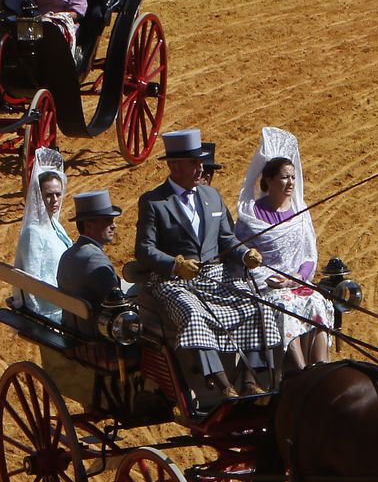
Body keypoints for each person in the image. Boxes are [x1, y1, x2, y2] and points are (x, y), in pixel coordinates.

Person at [134, 128, 275, 400]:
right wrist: (175, 264)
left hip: (214, 275)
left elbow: (227, 239)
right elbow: (144, 249)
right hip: (172, 281)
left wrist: (245, 253)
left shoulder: (212, 196)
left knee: (256, 304)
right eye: (195, 163)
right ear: (174, 165)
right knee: (193, 314)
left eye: (201, 162)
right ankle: (221, 384)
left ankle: (249, 379)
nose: (201, 168)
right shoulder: (153, 202)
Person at [234, 128, 333, 370]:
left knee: (317, 302)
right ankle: (300, 370)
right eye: (284, 177)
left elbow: (309, 256)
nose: (290, 183)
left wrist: (297, 278)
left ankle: (320, 367)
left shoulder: (300, 212)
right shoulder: (251, 214)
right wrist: (271, 279)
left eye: (293, 177)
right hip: (266, 286)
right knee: (286, 307)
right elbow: (242, 255)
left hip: (296, 283)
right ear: (268, 180)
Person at [12, 148, 72, 321]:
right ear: (39, 197)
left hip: (66, 305)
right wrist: (38, 320)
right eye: (48, 195)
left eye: (58, 194)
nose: (54, 200)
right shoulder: (33, 233)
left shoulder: (56, 226)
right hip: (49, 313)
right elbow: (31, 283)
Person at [57, 190, 124, 339]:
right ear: (88, 226)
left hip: (72, 333)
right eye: (107, 221)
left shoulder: (67, 255)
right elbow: (118, 303)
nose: (114, 226)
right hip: (97, 340)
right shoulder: (95, 259)